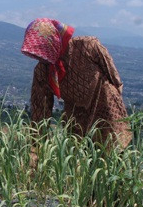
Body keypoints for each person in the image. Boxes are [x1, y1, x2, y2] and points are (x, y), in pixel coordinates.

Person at [21, 18, 132, 149]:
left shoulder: (87, 46)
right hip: (76, 116)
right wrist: (38, 145)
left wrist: (116, 96)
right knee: (79, 158)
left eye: (43, 48)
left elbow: (112, 74)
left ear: (53, 40)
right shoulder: (43, 71)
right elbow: (40, 108)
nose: (40, 55)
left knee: (113, 150)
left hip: (105, 106)